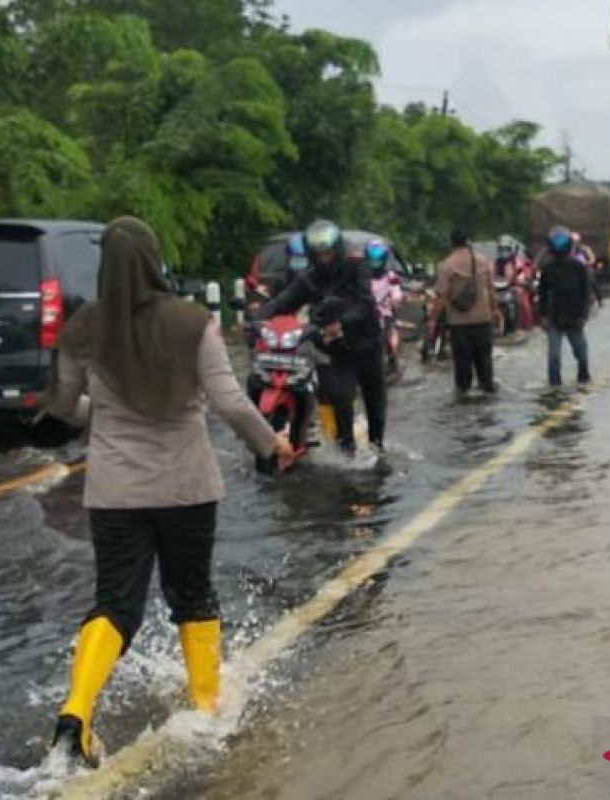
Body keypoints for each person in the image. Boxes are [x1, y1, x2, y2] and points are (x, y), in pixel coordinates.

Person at [44, 216, 294, 768]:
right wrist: (270, 445)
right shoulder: (192, 323)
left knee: (114, 604)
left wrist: (100, 411)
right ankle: (207, 709)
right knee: (193, 594)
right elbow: (229, 402)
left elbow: (63, 408)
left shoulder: (83, 328)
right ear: (155, 262)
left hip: (114, 491)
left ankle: (76, 715)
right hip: (186, 487)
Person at [257, 219, 385, 455]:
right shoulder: (310, 278)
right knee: (340, 396)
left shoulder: (357, 266)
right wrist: (257, 319)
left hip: (366, 341)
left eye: (327, 253)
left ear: (336, 250)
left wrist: (342, 323)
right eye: (319, 254)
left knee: (374, 399)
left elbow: (366, 303)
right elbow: (284, 301)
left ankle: (378, 445)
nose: (324, 258)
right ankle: (346, 450)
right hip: (336, 346)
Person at [429, 229, 501, 394]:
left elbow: (440, 296)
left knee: (462, 363)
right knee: (484, 360)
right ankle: (487, 389)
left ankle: (464, 396)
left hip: (459, 322)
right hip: (483, 319)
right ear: (468, 242)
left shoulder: (446, 265)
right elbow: (491, 290)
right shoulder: (483, 262)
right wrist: (495, 311)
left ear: (452, 243)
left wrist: (432, 319)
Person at [538, 226, 602, 387]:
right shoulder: (548, 268)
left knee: (580, 353)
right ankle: (555, 384)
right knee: (554, 355)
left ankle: (583, 377)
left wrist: (583, 315)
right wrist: (543, 315)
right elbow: (543, 293)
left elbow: (585, 294)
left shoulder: (579, 267)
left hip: (574, 316)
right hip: (555, 316)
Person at [367, 239, 402, 377]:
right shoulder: (364, 277)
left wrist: (394, 300)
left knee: (391, 334)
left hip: (385, 312)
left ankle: (393, 357)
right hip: (369, 313)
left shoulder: (390, 276)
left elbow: (396, 292)